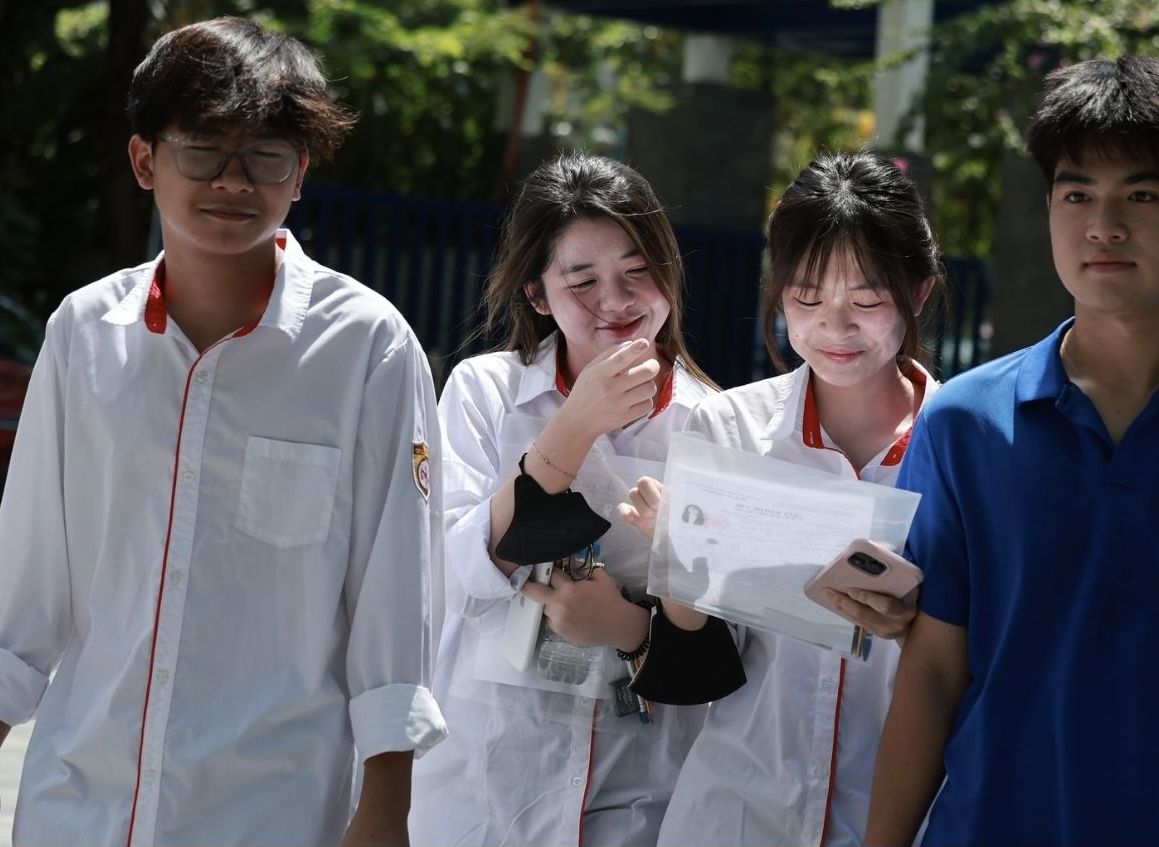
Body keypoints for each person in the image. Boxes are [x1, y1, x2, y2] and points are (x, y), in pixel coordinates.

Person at [0, 17, 446, 847]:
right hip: (78, 802)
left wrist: (387, 807)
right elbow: (24, 589)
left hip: (270, 810)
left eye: (266, 156)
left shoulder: (367, 349)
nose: (233, 182)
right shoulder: (83, 334)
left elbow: (396, 593)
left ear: (299, 174)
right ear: (145, 161)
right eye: (204, 149)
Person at [864, 56, 1159, 847]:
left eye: (1141, 196)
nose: (1103, 225)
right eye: (1077, 194)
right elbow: (933, 669)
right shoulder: (964, 422)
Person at [619, 150, 942, 846]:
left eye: (866, 301)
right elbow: (688, 666)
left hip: (895, 821)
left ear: (918, 292)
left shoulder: (965, 446)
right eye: (806, 297)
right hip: (737, 814)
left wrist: (918, 626)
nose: (834, 326)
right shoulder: (728, 429)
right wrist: (683, 558)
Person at [407, 152, 717, 847]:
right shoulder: (485, 393)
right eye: (583, 281)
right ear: (538, 295)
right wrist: (573, 426)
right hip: (485, 780)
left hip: (638, 789)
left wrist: (628, 627)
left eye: (638, 271)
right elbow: (456, 575)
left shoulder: (716, 424)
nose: (617, 300)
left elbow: (732, 640)